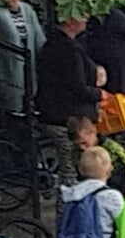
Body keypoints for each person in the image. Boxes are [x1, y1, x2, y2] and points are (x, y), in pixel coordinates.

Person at [35, 15, 105, 186]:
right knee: (71, 170)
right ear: (70, 21)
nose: (86, 19)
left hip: (57, 111)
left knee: (71, 166)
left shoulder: (57, 45)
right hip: (65, 116)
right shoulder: (67, 49)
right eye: (82, 15)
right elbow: (77, 86)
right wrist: (99, 94)